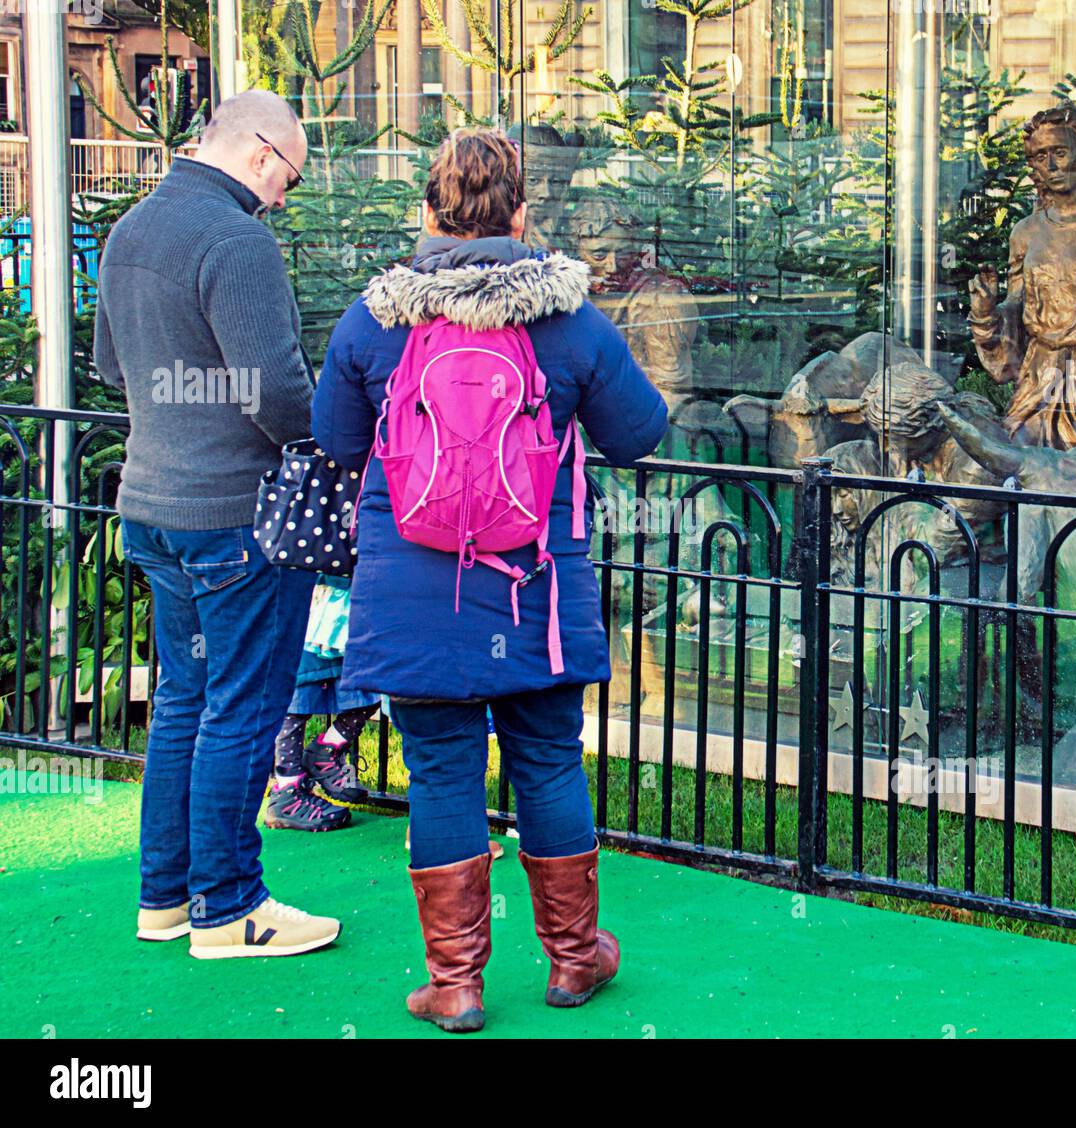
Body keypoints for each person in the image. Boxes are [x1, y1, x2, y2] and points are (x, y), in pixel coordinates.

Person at [312, 127, 668, 1032]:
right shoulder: (570, 320)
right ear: (523, 213)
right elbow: (639, 433)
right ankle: (575, 961)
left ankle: (457, 984)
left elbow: (339, 440)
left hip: (415, 593)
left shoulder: (377, 317)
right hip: (536, 589)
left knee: (440, 773)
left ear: (427, 213)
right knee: (548, 759)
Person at [93, 89, 341, 958]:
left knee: (184, 703)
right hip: (237, 516)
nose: (283, 198)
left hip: (154, 506)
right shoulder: (237, 240)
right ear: (263, 153)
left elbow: (109, 365)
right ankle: (230, 910)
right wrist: (326, 444)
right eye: (290, 180)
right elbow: (274, 388)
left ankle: (164, 901)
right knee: (240, 708)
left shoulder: (129, 230)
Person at [265, 575, 376, 831]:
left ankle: (327, 750)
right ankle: (287, 788)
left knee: (375, 684)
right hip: (313, 595)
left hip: (355, 595)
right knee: (297, 694)